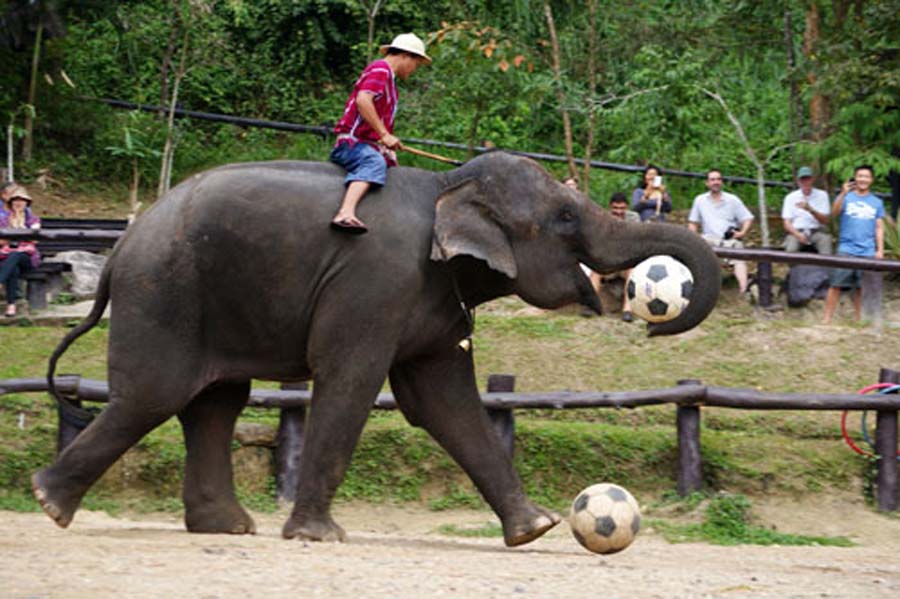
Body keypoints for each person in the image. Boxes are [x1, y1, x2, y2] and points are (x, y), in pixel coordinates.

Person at [329, 33, 431, 235]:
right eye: (416, 64)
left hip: (367, 144)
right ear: (405, 56)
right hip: (352, 143)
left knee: (391, 166)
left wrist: (386, 146)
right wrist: (384, 135)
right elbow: (363, 100)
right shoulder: (380, 70)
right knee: (373, 163)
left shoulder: (391, 83)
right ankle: (345, 212)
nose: (414, 70)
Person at [822, 165, 884, 324]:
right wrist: (843, 193)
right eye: (860, 176)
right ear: (855, 178)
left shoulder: (877, 202)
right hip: (846, 248)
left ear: (871, 180)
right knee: (835, 284)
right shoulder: (847, 197)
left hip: (868, 250)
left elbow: (879, 227)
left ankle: (859, 320)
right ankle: (826, 319)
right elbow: (834, 213)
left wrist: (880, 250)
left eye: (866, 176)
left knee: (861, 287)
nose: (863, 179)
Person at [688, 169, 754, 295]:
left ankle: (743, 290)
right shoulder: (700, 200)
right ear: (707, 183)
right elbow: (693, 222)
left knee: (738, 252)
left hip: (728, 239)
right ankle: (702, 290)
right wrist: (694, 238)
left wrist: (742, 233)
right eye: (712, 180)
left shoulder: (732, 199)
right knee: (698, 252)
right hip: (709, 239)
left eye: (718, 179)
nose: (716, 182)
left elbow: (747, 218)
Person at [592, 192, 638, 321]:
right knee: (595, 271)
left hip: (626, 262)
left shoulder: (634, 218)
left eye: (622, 208)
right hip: (607, 261)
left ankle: (627, 309)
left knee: (631, 272)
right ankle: (590, 305)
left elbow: (637, 241)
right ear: (610, 207)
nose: (618, 211)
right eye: (615, 208)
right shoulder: (602, 218)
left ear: (627, 207)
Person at [0, 185, 41, 317]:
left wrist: (17, 231)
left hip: (27, 258)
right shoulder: (4, 220)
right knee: (13, 269)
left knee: (16, 254)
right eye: (15, 200)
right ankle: (11, 306)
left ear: (27, 203)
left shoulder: (33, 220)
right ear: (11, 203)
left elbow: (34, 240)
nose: (18, 203)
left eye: (22, 200)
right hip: (7, 257)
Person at [781, 166, 832, 254]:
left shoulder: (822, 195)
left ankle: (825, 267)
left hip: (816, 231)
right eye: (802, 180)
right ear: (798, 181)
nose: (805, 182)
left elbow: (825, 220)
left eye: (808, 179)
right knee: (791, 250)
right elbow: (787, 223)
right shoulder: (790, 197)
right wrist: (797, 234)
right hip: (797, 231)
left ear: (812, 180)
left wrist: (810, 210)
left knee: (826, 245)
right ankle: (793, 267)